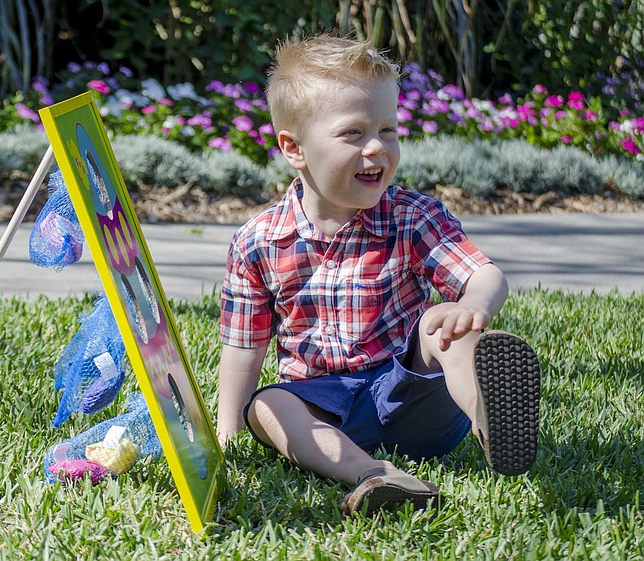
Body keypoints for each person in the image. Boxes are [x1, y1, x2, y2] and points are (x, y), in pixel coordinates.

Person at [215, 34, 541, 515]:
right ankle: (378, 476)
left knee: (443, 325)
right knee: (268, 405)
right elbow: (244, 345)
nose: (377, 148)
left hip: (416, 397)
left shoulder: (412, 216)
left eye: (388, 130)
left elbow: (483, 275)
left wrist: (473, 307)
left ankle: (490, 419)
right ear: (294, 147)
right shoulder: (258, 241)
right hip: (326, 413)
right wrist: (230, 432)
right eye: (353, 133)